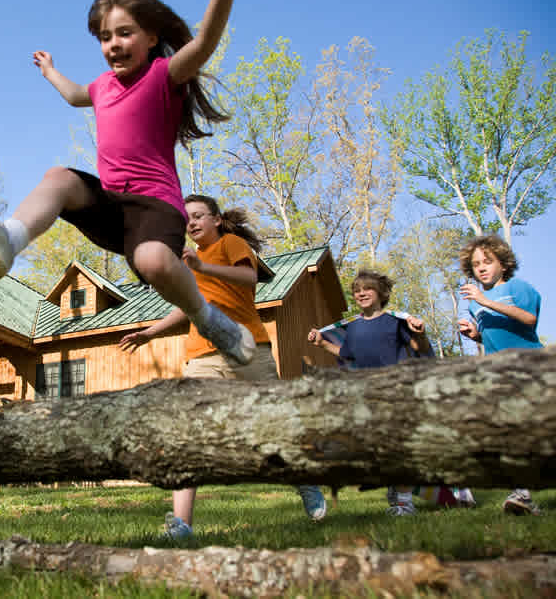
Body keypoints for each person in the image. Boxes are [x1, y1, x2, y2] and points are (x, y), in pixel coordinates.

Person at [0, 0, 255, 366]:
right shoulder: (102, 86)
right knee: (59, 178)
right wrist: (50, 71)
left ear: (151, 38)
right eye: (105, 37)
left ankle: (208, 319)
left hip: (154, 208)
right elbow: (75, 96)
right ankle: (4, 244)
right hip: (110, 204)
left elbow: (204, 43)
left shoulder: (163, 76)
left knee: (154, 262)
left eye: (124, 33)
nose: (113, 44)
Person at [119, 195, 327, 540]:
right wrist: (150, 332)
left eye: (199, 216)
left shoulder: (231, 244)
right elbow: (190, 306)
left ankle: (304, 479)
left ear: (216, 219)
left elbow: (248, 277)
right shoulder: (190, 263)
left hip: (249, 349)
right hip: (202, 354)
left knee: (275, 421)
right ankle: (181, 524)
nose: (192, 223)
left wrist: (203, 269)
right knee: (188, 432)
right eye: (188, 220)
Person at [308, 270, 438, 516]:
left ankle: (403, 502)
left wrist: (419, 333)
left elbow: (418, 348)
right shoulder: (354, 328)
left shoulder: (395, 321)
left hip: (396, 390)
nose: (361, 293)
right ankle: (394, 485)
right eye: (357, 290)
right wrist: (322, 343)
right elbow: (347, 355)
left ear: (381, 293)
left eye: (367, 289)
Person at [457, 234, 543, 516]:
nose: (481, 268)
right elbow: (493, 335)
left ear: (503, 265)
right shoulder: (475, 304)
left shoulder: (517, 287)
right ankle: (522, 495)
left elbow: (529, 320)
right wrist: (475, 334)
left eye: (487, 262)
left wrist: (486, 301)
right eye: (476, 264)